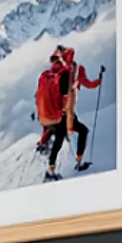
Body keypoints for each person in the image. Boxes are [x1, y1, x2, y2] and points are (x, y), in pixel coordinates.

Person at [46, 44, 104, 178]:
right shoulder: (76, 70)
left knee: (60, 137)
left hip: (56, 112)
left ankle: (52, 168)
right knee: (76, 133)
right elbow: (88, 84)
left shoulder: (56, 70)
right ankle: (75, 162)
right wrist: (99, 80)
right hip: (66, 112)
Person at [35, 49, 67, 152]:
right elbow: (64, 98)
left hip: (42, 113)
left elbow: (38, 94)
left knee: (47, 124)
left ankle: (43, 142)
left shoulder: (43, 75)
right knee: (58, 123)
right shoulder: (61, 77)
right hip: (54, 115)